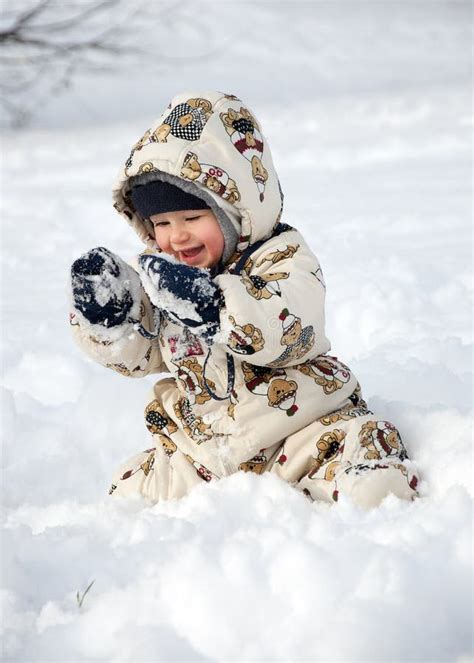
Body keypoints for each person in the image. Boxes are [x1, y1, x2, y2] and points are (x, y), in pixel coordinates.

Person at [69, 90, 419, 508]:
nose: (176, 235)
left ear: (233, 210)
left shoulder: (282, 259)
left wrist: (212, 306)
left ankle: (372, 491)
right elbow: (144, 352)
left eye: (192, 218)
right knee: (126, 489)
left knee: (364, 450)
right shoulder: (162, 276)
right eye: (161, 223)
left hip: (300, 430)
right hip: (206, 452)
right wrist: (112, 318)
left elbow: (288, 326)